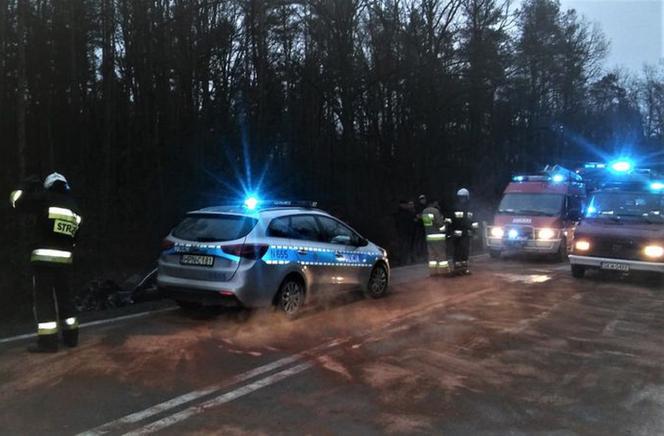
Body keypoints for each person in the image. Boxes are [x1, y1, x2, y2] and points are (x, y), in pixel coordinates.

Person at [10, 172, 82, 352]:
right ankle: (71, 338)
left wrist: (25, 185)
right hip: (65, 261)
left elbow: (15, 202)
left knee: (45, 300)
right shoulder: (74, 208)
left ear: (48, 185)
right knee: (66, 298)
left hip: (44, 260)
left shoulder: (44, 198)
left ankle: (48, 343)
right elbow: (76, 236)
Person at [447, 188, 479, 275]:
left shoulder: (470, 208)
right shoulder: (454, 207)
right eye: (461, 197)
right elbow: (449, 220)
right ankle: (457, 268)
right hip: (457, 233)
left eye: (463, 197)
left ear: (467, 197)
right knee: (457, 251)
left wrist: (475, 232)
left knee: (465, 251)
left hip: (466, 233)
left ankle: (464, 268)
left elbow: (474, 221)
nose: (462, 199)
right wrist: (449, 231)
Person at [422, 200, 448, 275]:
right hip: (438, 236)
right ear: (434, 203)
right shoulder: (435, 211)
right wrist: (446, 223)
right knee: (441, 254)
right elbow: (440, 224)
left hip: (429, 236)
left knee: (432, 255)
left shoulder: (424, 211)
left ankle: (433, 272)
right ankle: (443, 271)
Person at [394, 200, 417, 265]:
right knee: (405, 246)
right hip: (405, 232)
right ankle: (404, 261)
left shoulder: (406, 212)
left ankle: (406, 260)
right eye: (406, 204)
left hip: (407, 232)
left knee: (406, 246)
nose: (407, 206)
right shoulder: (403, 213)